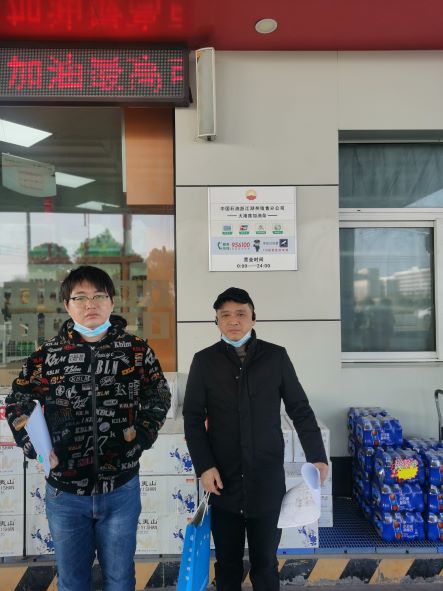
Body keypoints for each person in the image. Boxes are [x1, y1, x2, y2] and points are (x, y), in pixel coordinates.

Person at [6, 266, 171, 591]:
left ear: (112, 302)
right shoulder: (46, 356)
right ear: (67, 305)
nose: (90, 304)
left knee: (120, 580)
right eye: (80, 297)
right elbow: (16, 403)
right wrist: (34, 446)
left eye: (98, 296)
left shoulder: (136, 351)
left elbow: (159, 394)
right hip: (65, 493)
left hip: (120, 489)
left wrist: (140, 436)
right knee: (72, 582)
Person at [183, 287, 328, 591]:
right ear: (217, 321)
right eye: (225, 315)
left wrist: (318, 457)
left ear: (253, 318)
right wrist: (204, 466)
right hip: (223, 482)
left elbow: (300, 409)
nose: (233, 320)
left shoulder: (275, 357)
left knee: (265, 564)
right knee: (227, 566)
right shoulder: (204, 361)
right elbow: (193, 419)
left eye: (240, 313)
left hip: (266, 481)